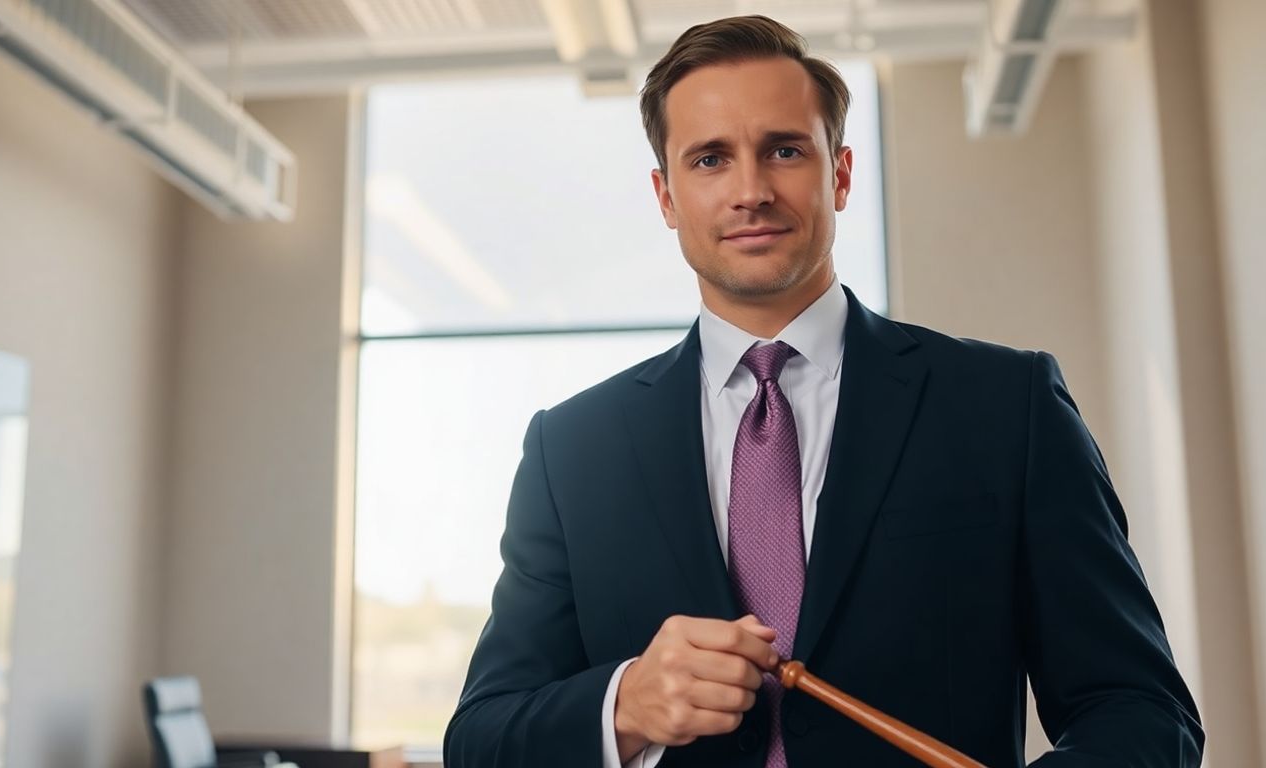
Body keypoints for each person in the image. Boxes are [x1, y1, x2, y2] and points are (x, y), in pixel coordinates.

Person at [443, 14, 1203, 768]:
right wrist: (626, 705)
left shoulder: (1008, 405)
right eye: (710, 159)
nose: (750, 191)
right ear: (666, 197)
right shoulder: (572, 449)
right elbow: (481, 739)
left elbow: (1139, 708)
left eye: (783, 150)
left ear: (838, 173)